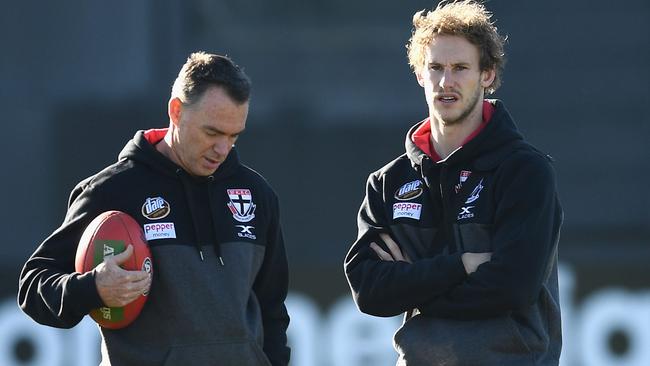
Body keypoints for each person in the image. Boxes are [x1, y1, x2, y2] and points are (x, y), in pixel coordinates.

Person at [18, 52, 290, 366]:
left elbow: (272, 310)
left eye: (233, 136)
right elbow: (33, 286)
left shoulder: (256, 195)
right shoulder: (113, 190)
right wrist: (92, 288)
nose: (222, 149)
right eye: (212, 133)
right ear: (176, 111)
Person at [344, 1, 563, 365]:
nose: (446, 82)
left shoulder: (525, 171)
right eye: (436, 68)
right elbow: (369, 291)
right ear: (419, 74)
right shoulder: (387, 181)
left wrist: (411, 284)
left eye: (461, 68)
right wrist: (460, 265)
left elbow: (512, 287)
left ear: (487, 74)